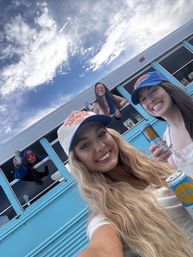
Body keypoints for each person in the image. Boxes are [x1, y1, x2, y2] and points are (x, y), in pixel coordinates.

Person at [57, 110, 193, 257]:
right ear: (78, 161)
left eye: (101, 134)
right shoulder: (107, 215)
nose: (100, 146)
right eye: (84, 146)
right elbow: (102, 250)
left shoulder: (155, 170)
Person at [131, 71, 193, 176]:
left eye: (154, 90)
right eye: (143, 99)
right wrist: (162, 165)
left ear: (168, 88)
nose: (150, 100)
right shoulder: (166, 138)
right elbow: (181, 176)